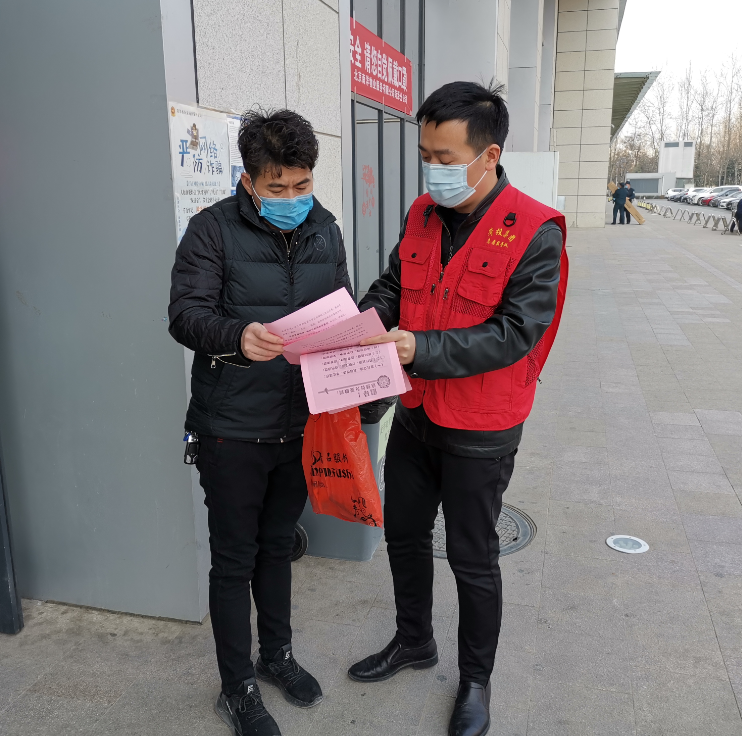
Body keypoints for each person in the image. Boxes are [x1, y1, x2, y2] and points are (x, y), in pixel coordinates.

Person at [349, 81, 567, 736]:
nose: (432, 169)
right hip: (416, 413)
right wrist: (362, 322)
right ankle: (414, 640)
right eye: (425, 155)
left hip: (482, 425)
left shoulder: (534, 230)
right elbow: (395, 284)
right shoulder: (423, 212)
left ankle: (475, 681)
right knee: (405, 534)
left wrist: (420, 348)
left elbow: (515, 331)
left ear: (488, 154)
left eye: (444, 157)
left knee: (473, 558)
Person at [169, 109, 352, 736]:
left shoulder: (325, 229)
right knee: (234, 560)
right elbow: (185, 314)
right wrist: (237, 335)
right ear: (248, 180)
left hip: (299, 422)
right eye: (278, 187)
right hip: (231, 428)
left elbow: (341, 308)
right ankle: (237, 686)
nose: (294, 198)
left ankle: (276, 656)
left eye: (303, 184)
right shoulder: (211, 230)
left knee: (279, 546)